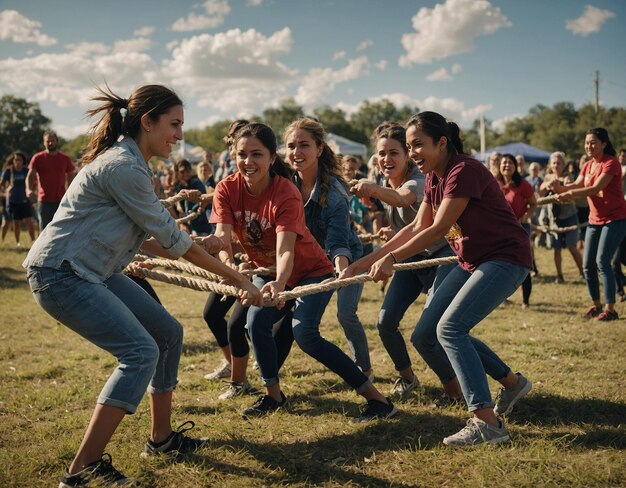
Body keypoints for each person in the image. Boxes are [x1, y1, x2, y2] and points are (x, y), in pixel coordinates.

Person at [23, 84, 262, 487]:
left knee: (168, 333)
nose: (180, 135)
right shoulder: (124, 167)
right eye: (174, 124)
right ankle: (80, 471)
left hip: (92, 270)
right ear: (147, 122)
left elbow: (156, 236)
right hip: (60, 274)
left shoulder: (132, 164)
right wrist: (239, 279)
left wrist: (192, 245)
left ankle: (161, 439)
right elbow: (173, 242)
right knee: (139, 351)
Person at [343, 111, 532, 446]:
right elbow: (415, 227)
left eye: (419, 145)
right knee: (429, 331)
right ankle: (513, 384)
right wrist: (366, 261)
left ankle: (487, 423)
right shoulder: (434, 177)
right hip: (472, 259)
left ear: (442, 143)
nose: (413, 152)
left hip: (504, 258)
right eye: (410, 146)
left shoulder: (464, 170)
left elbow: (437, 229)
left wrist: (390, 258)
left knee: (450, 329)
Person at [210, 122, 397, 421]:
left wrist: (283, 283)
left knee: (305, 333)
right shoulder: (226, 188)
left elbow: (288, 249)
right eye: (241, 154)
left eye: (256, 154)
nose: (248, 161)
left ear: (272, 158)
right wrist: (230, 267)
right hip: (268, 269)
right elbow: (222, 237)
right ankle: (273, 396)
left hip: (311, 268)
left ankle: (378, 401)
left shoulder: (288, 192)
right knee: (254, 323)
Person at [348, 123, 454, 398]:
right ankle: (407, 378)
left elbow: (402, 198)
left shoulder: (418, 181)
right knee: (385, 322)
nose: (387, 159)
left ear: (407, 155)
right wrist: (393, 232)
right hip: (409, 259)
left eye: (394, 152)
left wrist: (371, 189)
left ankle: (453, 389)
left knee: (429, 333)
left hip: (442, 259)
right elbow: (413, 224)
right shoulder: (387, 184)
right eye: (382, 153)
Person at [285, 117, 373, 378]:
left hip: (346, 255)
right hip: (308, 258)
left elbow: (338, 240)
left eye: (304, 145)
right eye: (291, 146)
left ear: (319, 148)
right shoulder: (285, 181)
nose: (296, 153)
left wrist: (342, 270)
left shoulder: (334, 191)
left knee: (345, 314)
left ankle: (364, 370)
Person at [551, 128, 626, 321]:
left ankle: (610, 309)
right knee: (587, 265)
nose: (588, 146)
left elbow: (594, 188)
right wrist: (559, 187)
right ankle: (596, 304)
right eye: (586, 143)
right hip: (595, 219)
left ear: (603, 143)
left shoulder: (611, 163)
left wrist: (570, 194)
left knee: (602, 261)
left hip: (615, 219)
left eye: (593, 142)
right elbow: (577, 184)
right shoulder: (588, 166)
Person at [496, 154, 537, 308]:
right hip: (500, 230)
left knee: (523, 264)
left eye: (510, 163)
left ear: (515, 166)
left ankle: (525, 300)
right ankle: (502, 297)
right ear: (499, 166)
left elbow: (533, 203)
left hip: (520, 229)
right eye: (504, 163)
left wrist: (526, 216)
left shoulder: (523, 184)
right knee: (500, 264)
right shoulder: (494, 183)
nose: (507, 165)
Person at [539, 152, 583, 283]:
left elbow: (567, 194)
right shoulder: (547, 177)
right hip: (554, 218)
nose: (556, 165)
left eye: (559, 163)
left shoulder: (568, 177)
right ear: (550, 165)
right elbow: (540, 193)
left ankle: (583, 272)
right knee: (556, 248)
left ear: (563, 164)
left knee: (572, 246)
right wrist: (547, 185)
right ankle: (559, 275)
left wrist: (557, 186)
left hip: (569, 216)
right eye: (554, 163)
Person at [26, 130, 76, 230]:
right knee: (45, 229)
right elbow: (30, 176)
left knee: (62, 228)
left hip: (62, 200)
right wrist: (28, 189)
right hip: (44, 201)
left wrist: (70, 192)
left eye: (52, 140)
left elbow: (71, 175)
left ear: (57, 142)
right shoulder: (38, 158)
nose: (50, 143)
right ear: (44, 143)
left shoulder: (65, 158)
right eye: (47, 141)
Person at [1, 151, 36, 246]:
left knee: (29, 221)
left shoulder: (26, 171)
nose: (17, 161)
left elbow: (34, 181)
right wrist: (5, 192)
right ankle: (18, 242)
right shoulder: (9, 171)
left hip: (25, 200)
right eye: (16, 159)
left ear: (22, 161)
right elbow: (1, 184)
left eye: (19, 160)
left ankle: (33, 241)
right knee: (16, 223)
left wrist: (31, 190)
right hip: (13, 200)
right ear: (13, 161)